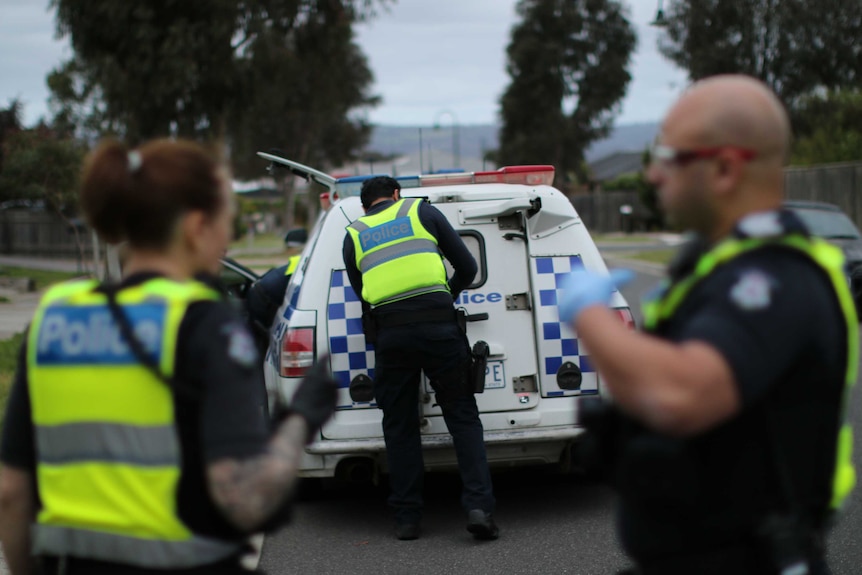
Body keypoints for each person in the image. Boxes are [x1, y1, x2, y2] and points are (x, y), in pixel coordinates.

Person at [558, 75, 857, 574]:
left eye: (670, 158)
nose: (653, 175)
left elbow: (678, 395)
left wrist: (588, 316)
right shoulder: (718, 268)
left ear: (723, 169)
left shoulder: (772, 277)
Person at [0, 139, 339, 575]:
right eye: (226, 222)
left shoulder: (55, 315)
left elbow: (11, 491)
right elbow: (244, 499)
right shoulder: (205, 324)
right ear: (196, 226)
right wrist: (300, 421)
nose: (226, 236)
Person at [342, 176, 498, 541]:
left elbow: (362, 293)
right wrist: (444, 294)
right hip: (440, 329)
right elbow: (468, 267)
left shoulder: (354, 233)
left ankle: (407, 518)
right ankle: (479, 509)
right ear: (396, 195)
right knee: (462, 418)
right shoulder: (420, 211)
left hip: (392, 335)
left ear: (365, 205)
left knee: (399, 425)